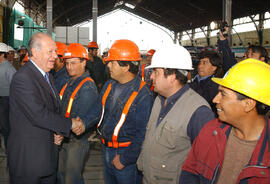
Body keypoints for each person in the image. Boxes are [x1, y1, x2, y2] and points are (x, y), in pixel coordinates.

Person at [8, 33, 85, 184]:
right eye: (50, 51)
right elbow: (38, 114)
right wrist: (70, 124)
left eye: (55, 51)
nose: (56, 56)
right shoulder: (23, 78)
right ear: (35, 52)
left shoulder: (47, 76)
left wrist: (57, 132)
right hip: (29, 160)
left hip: (47, 155)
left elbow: (52, 110)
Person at [180, 58, 270, 183]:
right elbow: (190, 171)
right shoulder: (210, 130)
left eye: (223, 94)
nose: (215, 100)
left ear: (248, 104)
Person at [137, 44, 215, 184]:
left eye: (156, 72)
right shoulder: (158, 100)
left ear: (172, 76)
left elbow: (206, 166)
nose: (152, 76)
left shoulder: (199, 112)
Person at [80, 39, 154, 184]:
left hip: (126, 157)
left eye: (112, 62)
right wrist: (83, 123)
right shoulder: (109, 85)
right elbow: (97, 110)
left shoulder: (143, 95)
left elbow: (143, 133)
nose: (108, 66)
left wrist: (125, 159)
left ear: (126, 66)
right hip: (106, 149)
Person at [57, 43, 98, 184]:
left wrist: (61, 132)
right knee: (61, 174)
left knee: (72, 178)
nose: (69, 67)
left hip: (76, 141)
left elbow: (79, 119)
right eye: (67, 63)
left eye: (73, 63)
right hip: (65, 136)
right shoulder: (70, 82)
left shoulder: (87, 86)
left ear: (84, 62)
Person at [0, 43, 16, 150]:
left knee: (5, 126)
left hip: (6, 100)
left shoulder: (9, 68)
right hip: (2, 100)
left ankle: (8, 147)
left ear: (2, 55)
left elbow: (15, 87)